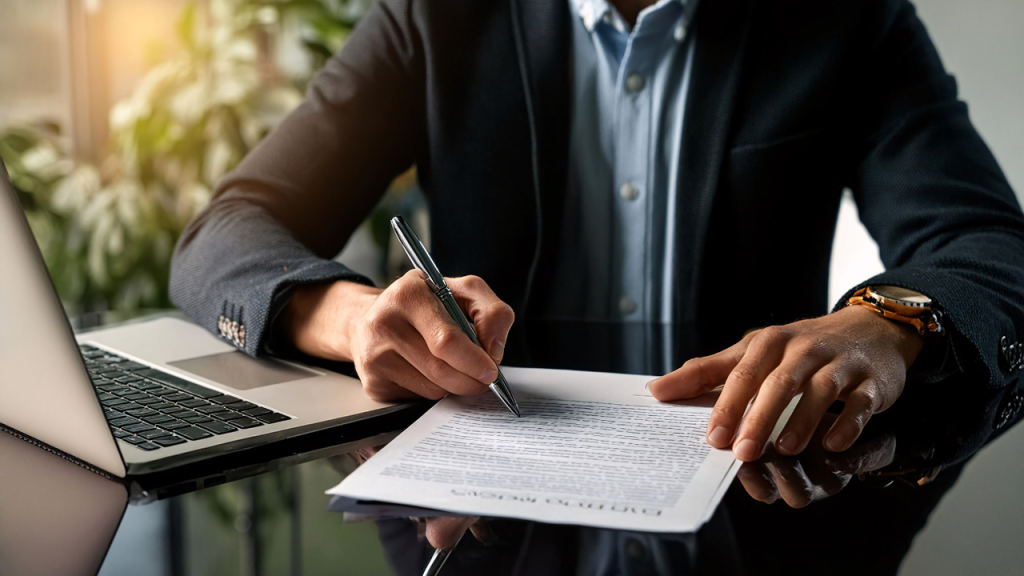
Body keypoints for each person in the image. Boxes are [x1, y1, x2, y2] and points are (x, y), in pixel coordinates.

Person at [170, 0, 1024, 478]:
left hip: (758, 492)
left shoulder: (844, 19)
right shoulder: (434, 17)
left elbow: (992, 245)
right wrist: (356, 318)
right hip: (483, 513)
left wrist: (886, 321)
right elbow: (223, 237)